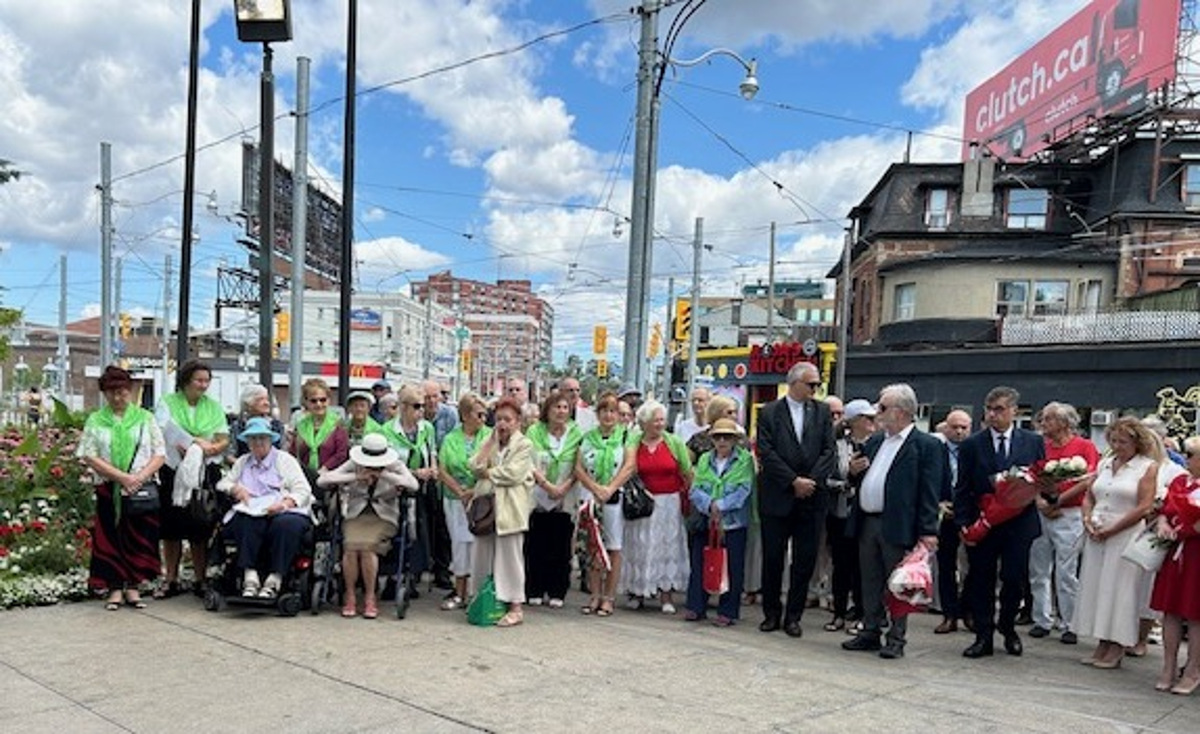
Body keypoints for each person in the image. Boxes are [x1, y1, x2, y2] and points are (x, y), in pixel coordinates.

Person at [841, 384, 942, 659]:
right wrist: (852, 471)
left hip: (899, 524)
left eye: (883, 407)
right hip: (868, 521)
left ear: (901, 412)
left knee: (898, 583)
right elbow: (859, 479)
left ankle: (896, 638)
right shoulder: (875, 442)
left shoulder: (926, 445)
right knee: (869, 580)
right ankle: (870, 630)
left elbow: (930, 492)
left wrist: (928, 530)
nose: (877, 412)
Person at [954, 385, 1045, 658]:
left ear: (1014, 411)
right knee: (981, 578)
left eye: (1000, 410)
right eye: (989, 410)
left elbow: (1040, 477)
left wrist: (1043, 493)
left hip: (1019, 522)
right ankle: (984, 634)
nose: (993, 415)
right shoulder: (972, 444)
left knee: (1014, 578)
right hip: (984, 520)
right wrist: (962, 521)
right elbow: (963, 486)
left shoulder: (1031, 441)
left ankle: (1008, 625)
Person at [1071, 417, 1160, 669]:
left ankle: (1118, 644)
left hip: (1125, 532)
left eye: (1124, 441)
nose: (1118, 446)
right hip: (1097, 531)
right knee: (1097, 586)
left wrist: (1113, 528)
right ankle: (1102, 641)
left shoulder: (1147, 467)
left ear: (1137, 442)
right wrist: (1087, 519)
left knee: (1120, 589)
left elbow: (1144, 505)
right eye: (1114, 440)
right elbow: (1089, 495)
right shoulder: (1105, 463)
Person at [756, 361, 837, 638]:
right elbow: (766, 452)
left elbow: (829, 451)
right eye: (811, 384)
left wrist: (809, 482)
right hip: (778, 495)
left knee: (804, 560)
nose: (815, 389)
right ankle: (771, 613)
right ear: (794, 383)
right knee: (773, 558)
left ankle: (794, 615)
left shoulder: (823, 411)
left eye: (817, 384)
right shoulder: (769, 412)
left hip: (811, 498)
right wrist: (792, 481)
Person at [77, 366, 166, 610]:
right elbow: (89, 454)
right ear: (105, 394)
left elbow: (159, 453)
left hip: (140, 489)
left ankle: (134, 587)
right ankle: (115, 587)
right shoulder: (96, 420)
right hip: (109, 488)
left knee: (139, 537)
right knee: (110, 537)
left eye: (123, 391)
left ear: (130, 391)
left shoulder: (145, 418)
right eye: (112, 392)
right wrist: (121, 478)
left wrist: (138, 477)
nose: (118, 397)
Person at [317, 433, 418, 619]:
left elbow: (413, 484)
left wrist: (384, 475)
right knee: (350, 547)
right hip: (356, 514)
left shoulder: (393, 464)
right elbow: (323, 480)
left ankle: (371, 596)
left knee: (367, 548)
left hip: (384, 516)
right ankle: (350, 595)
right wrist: (356, 477)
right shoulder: (354, 463)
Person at [155, 359, 230, 598]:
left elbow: (223, 438)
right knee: (171, 527)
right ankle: (171, 579)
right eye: (199, 380)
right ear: (186, 380)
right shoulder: (167, 403)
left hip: (205, 471)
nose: (203, 385)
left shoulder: (214, 407)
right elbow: (160, 430)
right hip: (173, 468)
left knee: (201, 525)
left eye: (207, 380)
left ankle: (200, 579)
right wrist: (187, 445)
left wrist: (208, 449)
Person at [1028, 402, 1100, 644]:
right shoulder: (1041, 446)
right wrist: (1039, 500)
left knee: (1067, 570)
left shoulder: (1084, 446)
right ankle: (1041, 618)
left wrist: (1058, 501)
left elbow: (1087, 479)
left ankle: (1070, 622)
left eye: (1048, 419)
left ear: (1064, 423)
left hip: (1070, 512)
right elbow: (1032, 476)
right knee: (1038, 568)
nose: (1043, 424)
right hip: (1042, 511)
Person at [216, 417, 313, 598]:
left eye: (262, 438)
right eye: (253, 439)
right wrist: (235, 488)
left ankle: (275, 579)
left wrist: (285, 503)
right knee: (245, 521)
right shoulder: (243, 462)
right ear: (248, 442)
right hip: (253, 508)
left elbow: (303, 490)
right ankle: (250, 577)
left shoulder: (285, 460)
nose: (258, 442)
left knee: (286, 524)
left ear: (270, 440)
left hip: (283, 508)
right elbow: (223, 483)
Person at [469, 397, 536, 627]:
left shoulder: (524, 444)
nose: (502, 424)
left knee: (510, 558)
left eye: (508, 419)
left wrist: (488, 473)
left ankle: (515, 606)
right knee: (482, 554)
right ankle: (483, 599)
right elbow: (474, 467)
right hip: (486, 508)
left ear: (518, 422)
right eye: (498, 419)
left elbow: (514, 474)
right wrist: (488, 446)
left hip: (510, 509)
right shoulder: (489, 441)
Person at [623, 399, 693, 614]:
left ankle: (666, 595)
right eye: (655, 420)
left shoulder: (674, 442)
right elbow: (628, 469)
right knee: (640, 546)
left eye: (662, 419)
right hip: (644, 503)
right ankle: (637, 592)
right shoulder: (634, 442)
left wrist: (687, 495)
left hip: (669, 503)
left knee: (667, 547)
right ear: (644, 423)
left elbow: (687, 471)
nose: (660, 424)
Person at [686, 418, 755, 626]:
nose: (722, 441)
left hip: (733, 522)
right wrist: (709, 505)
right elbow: (695, 488)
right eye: (718, 437)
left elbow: (744, 489)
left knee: (733, 566)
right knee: (700, 564)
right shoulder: (706, 458)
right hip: (707, 521)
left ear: (735, 439)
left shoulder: (744, 460)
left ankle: (728, 611)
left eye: (727, 437)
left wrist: (721, 506)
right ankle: (696, 606)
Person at [575, 391, 637, 617]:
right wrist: (594, 488)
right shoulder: (587, 437)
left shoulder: (626, 437)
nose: (609, 416)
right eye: (604, 411)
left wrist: (609, 488)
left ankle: (609, 597)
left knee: (613, 548)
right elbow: (578, 468)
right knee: (592, 546)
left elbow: (629, 466)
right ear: (597, 414)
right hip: (591, 498)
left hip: (614, 497)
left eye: (613, 411)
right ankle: (594, 595)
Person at [1149, 435, 1200, 694]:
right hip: (1175, 554)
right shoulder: (1180, 481)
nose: (1186, 459)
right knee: (1170, 610)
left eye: (1191, 455)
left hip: (1196, 555)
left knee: (1195, 615)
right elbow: (1166, 509)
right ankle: (1167, 666)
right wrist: (1164, 523)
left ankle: (1192, 669)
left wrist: (1186, 528)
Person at [525, 390, 584, 608]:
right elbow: (528, 462)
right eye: (556, 407)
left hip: (565, 496)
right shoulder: (534, 431)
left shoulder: (577, 433)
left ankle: (557, 590)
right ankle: (535, 588)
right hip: (538, 495)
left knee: (560, 547)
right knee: (536, 546)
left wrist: (563, 487)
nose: (560, 412)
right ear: (547, 410)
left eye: (565, 407)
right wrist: (547, 486)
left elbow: (580, 465)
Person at [381, 384, 439, 590]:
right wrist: (414, 473)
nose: (421, 411)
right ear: (403, 407)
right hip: (395, 488)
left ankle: (412, 575)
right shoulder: (387, 430)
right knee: (396, 530)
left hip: (421, 489)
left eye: (422, 406)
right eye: (416, 406)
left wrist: (432, 469)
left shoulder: (427, 428)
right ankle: (392, 576)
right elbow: (388, 463)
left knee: (417, 532)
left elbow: (432, 452)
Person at [437, 393, 492, 610]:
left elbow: (492, 465)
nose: (483, 418)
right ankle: (459, 592)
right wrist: (459, 491)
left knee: (479, 545)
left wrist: (473, 490)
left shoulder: (490, 436)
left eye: (485, 414)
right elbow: (442, 468)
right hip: (454, 499)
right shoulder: (451, 438)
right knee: (460, 545)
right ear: (466, 415)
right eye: (479, 414)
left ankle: (476, 593)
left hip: (481, 499)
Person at [824, 398, 875, 632]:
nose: (872, 423)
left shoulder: (878, 444)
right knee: (841, 565)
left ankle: (863, 613)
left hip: (866, 514)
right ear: (855, 421)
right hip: (842, 512)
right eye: (868, 418)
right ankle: (839, 612)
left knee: (863, 566)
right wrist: (847, 483)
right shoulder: (836, 446)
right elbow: (825, 478)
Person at [934, 409, 972, 634]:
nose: (958, 431)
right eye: (954, 427)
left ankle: (966, 610)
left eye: (963, 427)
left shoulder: (975, 449)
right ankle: (949, 614)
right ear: (946, 427)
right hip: (944, 513)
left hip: (969, 515)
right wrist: (938, 504)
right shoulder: (935, 450)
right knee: (946, 565)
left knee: (974, 566)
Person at [422, 379, 458, 589]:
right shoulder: (416, 414)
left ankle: (442, 570)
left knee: (443, 527)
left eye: (435, 396)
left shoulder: (449, 415)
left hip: (444, 476)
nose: (431, 401)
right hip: (423, 475)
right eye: (427, 397)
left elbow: (453, 444)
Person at [291, 378, 350, 485]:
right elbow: (293, 453)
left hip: (331, 479)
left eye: (323, 400)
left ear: (329, 400)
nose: (319, 404)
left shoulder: (338, 424)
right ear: (306, 402)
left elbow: (341, 454)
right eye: (313, 401)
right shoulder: (300, 425)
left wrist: (324, 469)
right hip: (304, 479)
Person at [228, 384, 286, 458]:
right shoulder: (238, 426)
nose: (266, 403)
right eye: (260, 399)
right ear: (248, 403)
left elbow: (283, 454)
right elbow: (229, 455)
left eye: (267, 399)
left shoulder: (276, 426)